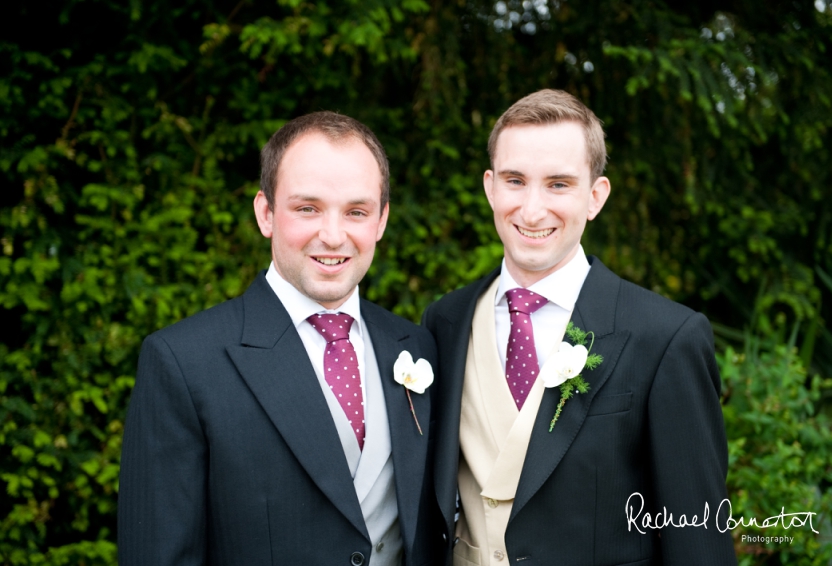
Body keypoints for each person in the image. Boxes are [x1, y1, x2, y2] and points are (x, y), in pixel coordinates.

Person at [423, 90, 736, 565]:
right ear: (490, 187)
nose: (531, 210)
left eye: (558, 184)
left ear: (595, 196)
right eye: (515, 180)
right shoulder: (444, 322)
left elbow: (698, 539)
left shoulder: (667, 337)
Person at [118, 111, 440, 565]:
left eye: (356, 211)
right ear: (266, 213)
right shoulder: (183, 363)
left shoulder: (416, 347)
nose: (333, 235)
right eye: (307, 208)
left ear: (382, 220)